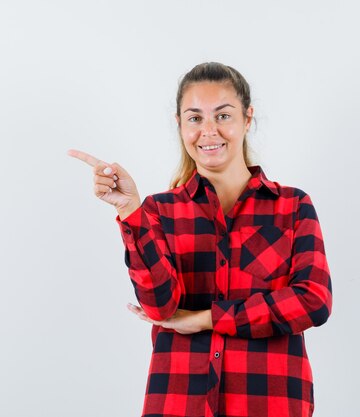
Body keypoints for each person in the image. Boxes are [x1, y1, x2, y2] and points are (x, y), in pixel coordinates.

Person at [67, 62, 333, 417]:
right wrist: (131, 210)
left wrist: (207, 318)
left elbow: (313, 301)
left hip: (269, 403)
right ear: (180, 124)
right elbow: (160, 307)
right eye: (195, 118)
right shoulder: (159, 212)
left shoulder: (292, 206)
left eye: (223, 116)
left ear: (247, 118)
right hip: (178, 403)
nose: (209, 131)